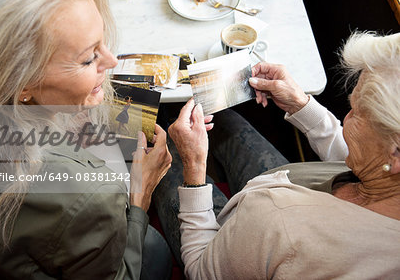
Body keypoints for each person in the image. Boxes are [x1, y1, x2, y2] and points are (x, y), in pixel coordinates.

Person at [0, 0, 172, 279]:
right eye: (89, 57)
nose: (112, 60)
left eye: (102, 42)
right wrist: (139, 198)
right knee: (155, 249)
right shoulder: (93, 196)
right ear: (22, 82)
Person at [154, 31, 400, 279]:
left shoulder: (282, 224)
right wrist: (300, 104)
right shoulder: (386, 171)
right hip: (278, 190)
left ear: (397, 154)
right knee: (223, 117)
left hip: (230, 241)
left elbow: (200, 271)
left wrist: (194, 169)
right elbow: (371, 159)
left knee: (162, 147)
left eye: (356, 112)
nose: (346, 119)